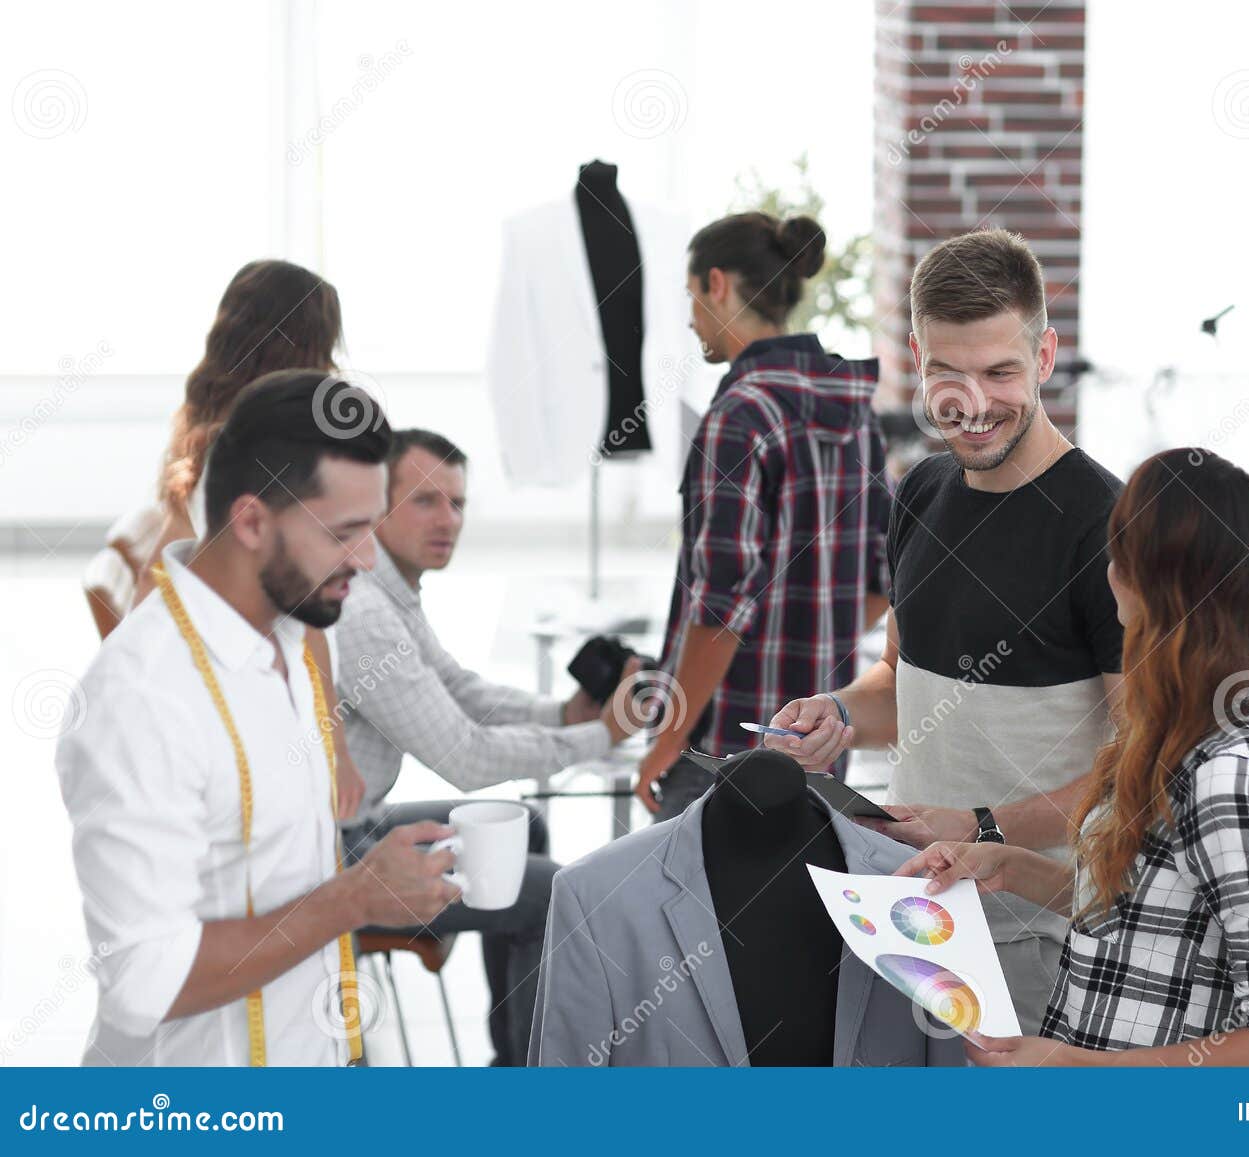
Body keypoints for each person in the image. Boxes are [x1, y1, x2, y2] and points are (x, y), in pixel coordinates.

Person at [764, 228, 1124, 1033]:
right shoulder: (921, 490)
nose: (972, 401)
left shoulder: (1106, 527)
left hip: (1036, 931)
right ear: (916, 358)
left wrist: (984, 824)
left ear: (1045, 355)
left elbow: (1138, 768)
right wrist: (842, 711)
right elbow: (902, 676)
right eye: (945, 373)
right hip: (907, 911)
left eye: (999, 371)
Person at [57, 371, 459, 1066]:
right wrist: (354, 900)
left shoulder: (295, 631)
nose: (366, 559)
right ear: (249, 521)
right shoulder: (142, 698)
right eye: (345, 533)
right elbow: (143, 981)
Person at [897, 448, 1249, 1065]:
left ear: (1136, 578)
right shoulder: (1179, 717)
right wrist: (1013, 868)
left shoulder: (1228, 775)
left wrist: (1085, 1069)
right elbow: (1160, 918)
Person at [334, 427, 642, 1065]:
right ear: (377, 503)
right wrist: (598, 736)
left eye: (458, 503)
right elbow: (466, 758)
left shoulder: (391, 590)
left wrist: (564, 714)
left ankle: (512, 1051)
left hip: (353, 825)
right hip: (333, 856)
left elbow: (459, 688)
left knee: (521, 826)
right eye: (425, 500)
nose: (448, 519)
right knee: (552, 892)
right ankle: (525, 1078)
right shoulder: (364, 612)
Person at [636, 211, 892, 819]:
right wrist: (810, 644)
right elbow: (882, 582)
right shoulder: (855, 411)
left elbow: (719, 611)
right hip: (818, 749)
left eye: (692, 296)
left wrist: (664, 746)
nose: (693, 316)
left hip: (724, 754)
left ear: (717, 285)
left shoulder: (739, 416)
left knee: (688, 913)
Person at [134, 259, 366, 820]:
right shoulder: (270, 454)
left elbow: (160, 574)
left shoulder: (201, 430)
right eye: (326, 347)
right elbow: (303, 613)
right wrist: (335, 749)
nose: (333, 365)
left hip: (220, 690)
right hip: (257, 713)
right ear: (306, 351)